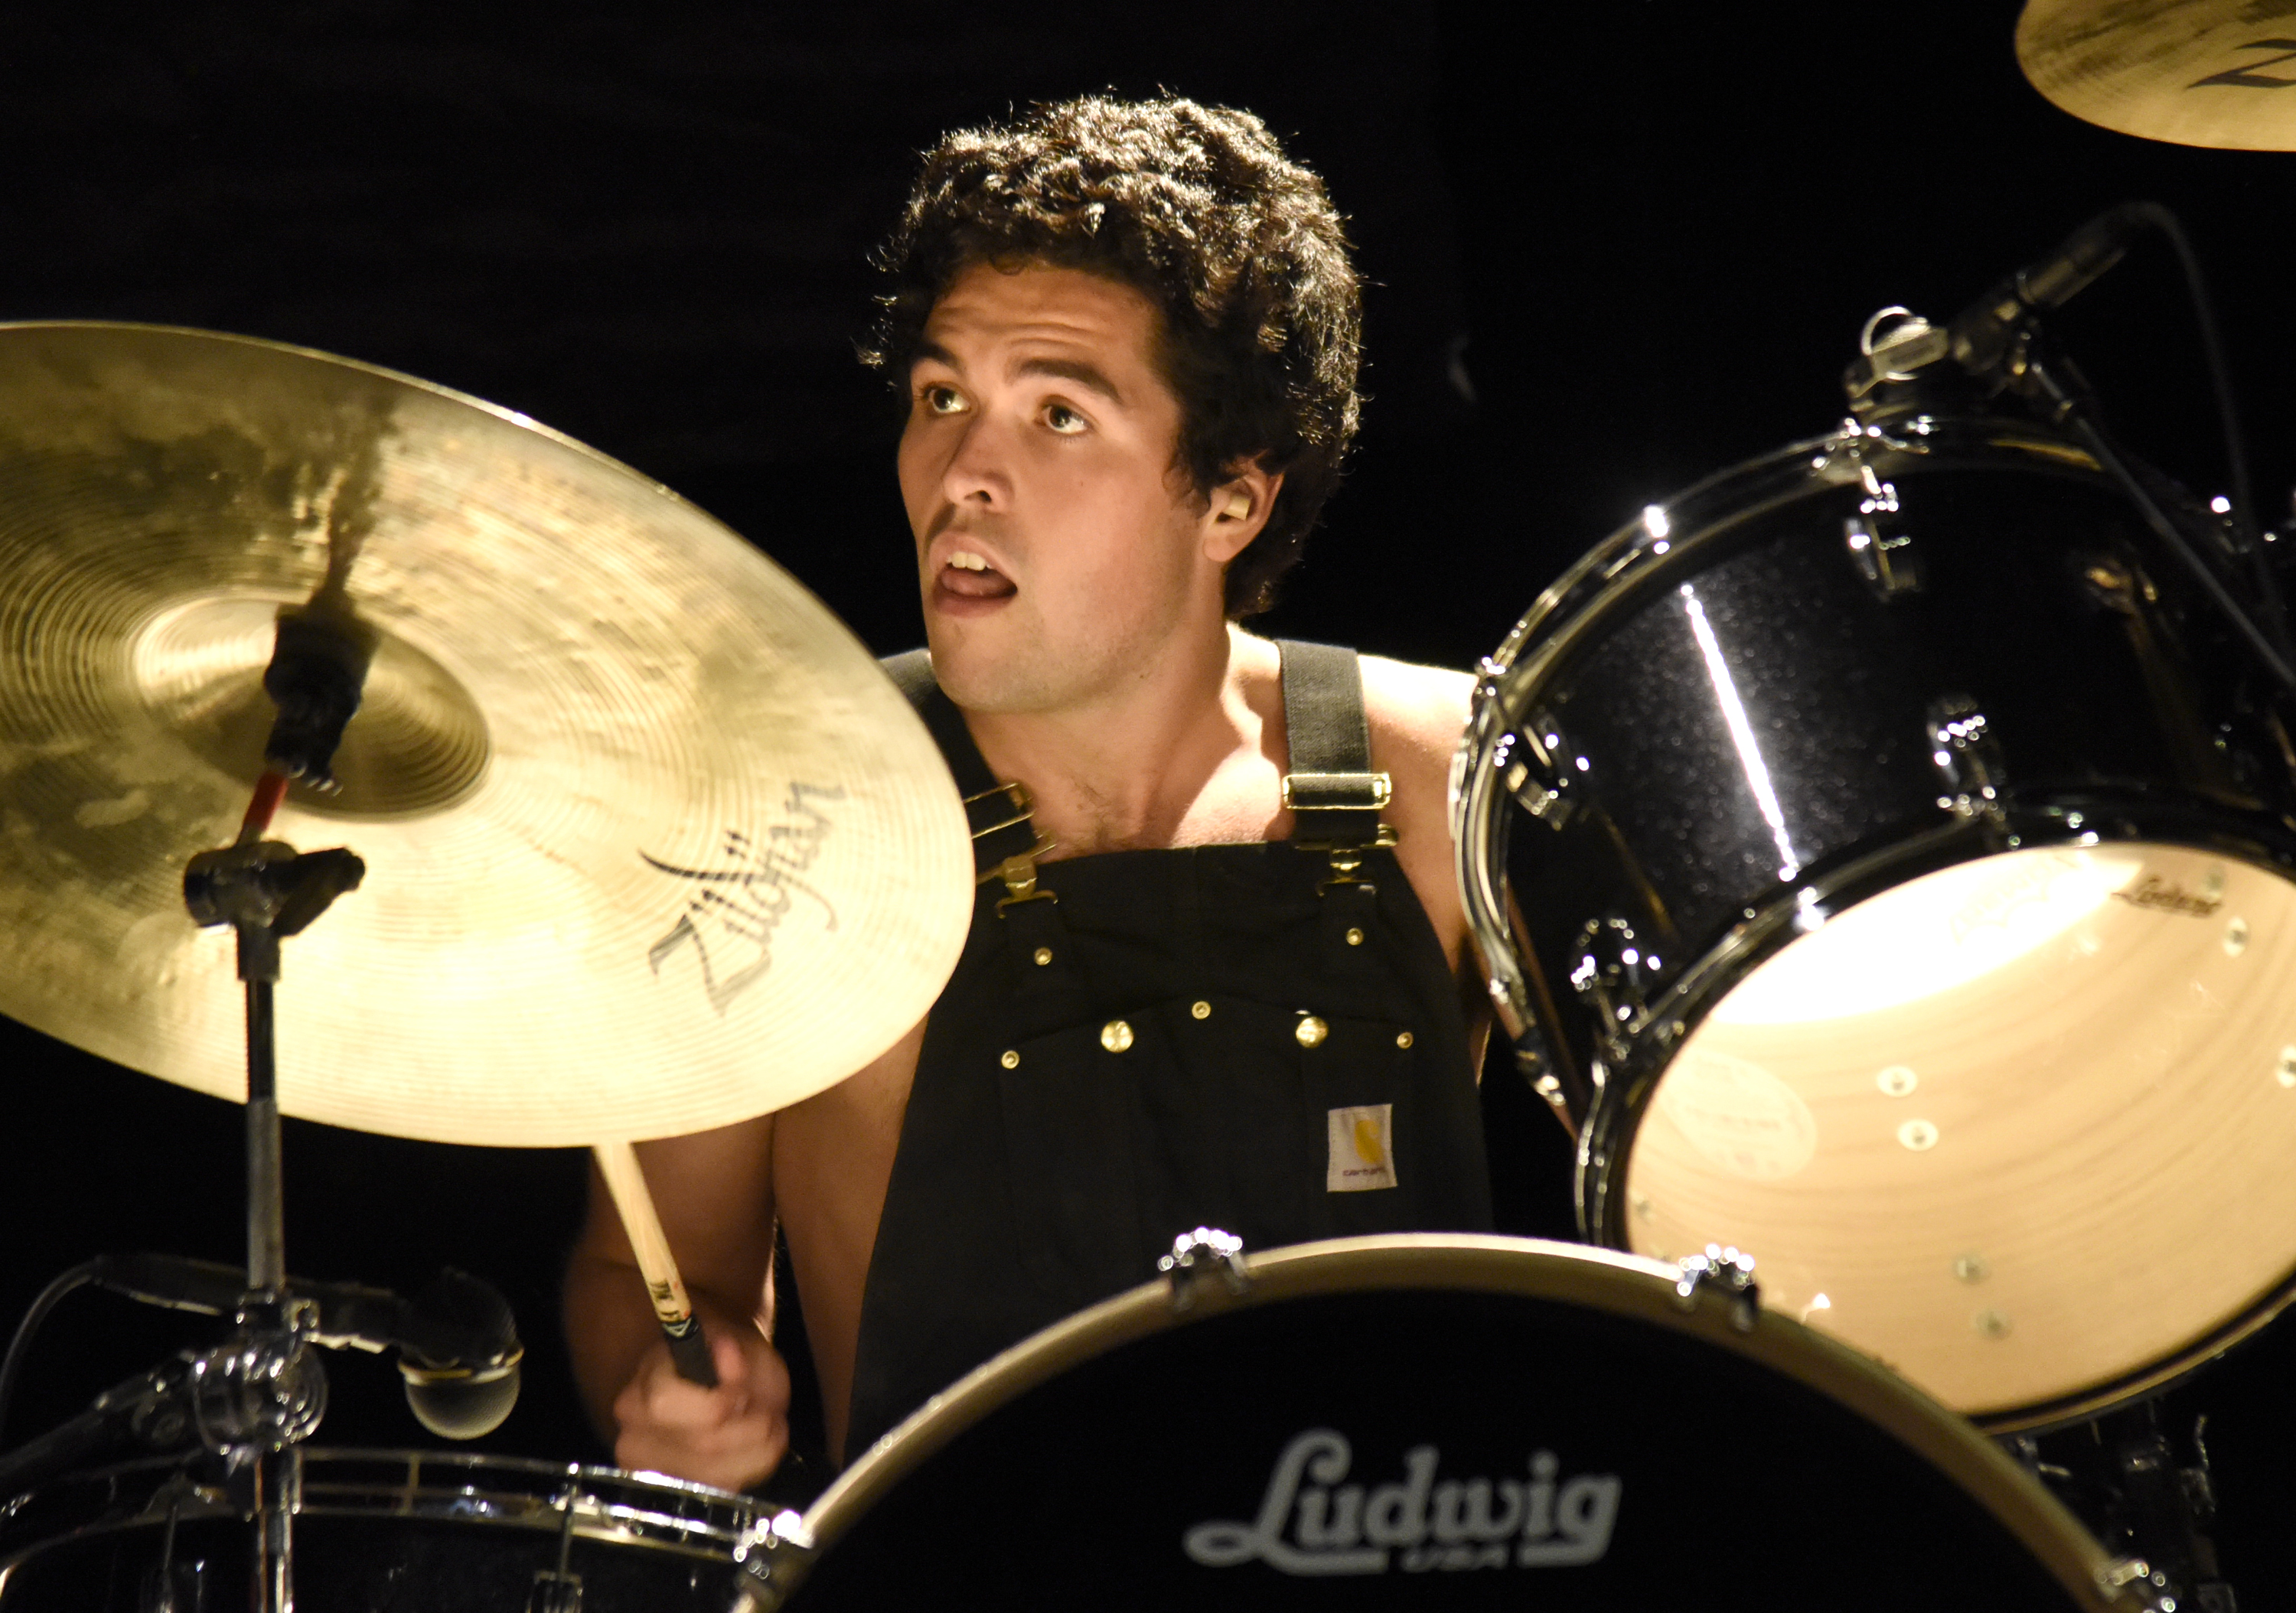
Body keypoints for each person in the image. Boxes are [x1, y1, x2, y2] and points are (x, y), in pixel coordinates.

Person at [563, 93, 1493, 1494]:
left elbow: (1715, 1148)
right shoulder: (786, 810)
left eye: (1058, 413)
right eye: (944, 399)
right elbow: (650, 1268)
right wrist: (670, 1389)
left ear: (1231, 500)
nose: (965, 476)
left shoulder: (1445, 773)